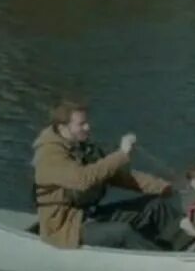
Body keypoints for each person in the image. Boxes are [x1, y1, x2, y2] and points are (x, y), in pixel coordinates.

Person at [30, 100, 176, 250]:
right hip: (65, 229)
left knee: (155, 206)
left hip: (88, 215)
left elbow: (118, 176)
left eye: (87, 122)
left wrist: (165, 187)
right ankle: (166, 264)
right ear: (62, 128)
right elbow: (82, 179)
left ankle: (184, 245)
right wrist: (121, 155)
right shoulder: (49, 155)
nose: (88, 127)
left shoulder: (81, 148)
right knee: (121, 232)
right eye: (81, 124)